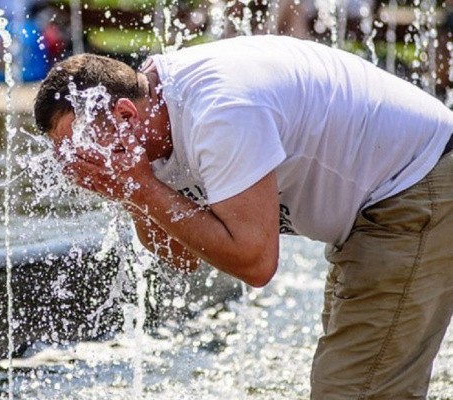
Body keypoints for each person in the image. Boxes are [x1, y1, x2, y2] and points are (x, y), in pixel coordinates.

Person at [32, 35, 453, 399]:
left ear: (125, 114)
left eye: (78, 144)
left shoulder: (218, 113)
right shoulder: (152, 119)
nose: (76, 163)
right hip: (383, 199)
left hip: (416, 182)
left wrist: (140, 186)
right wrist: (130, 190)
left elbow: (255, 262)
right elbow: (181, 256)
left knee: (355, 391)